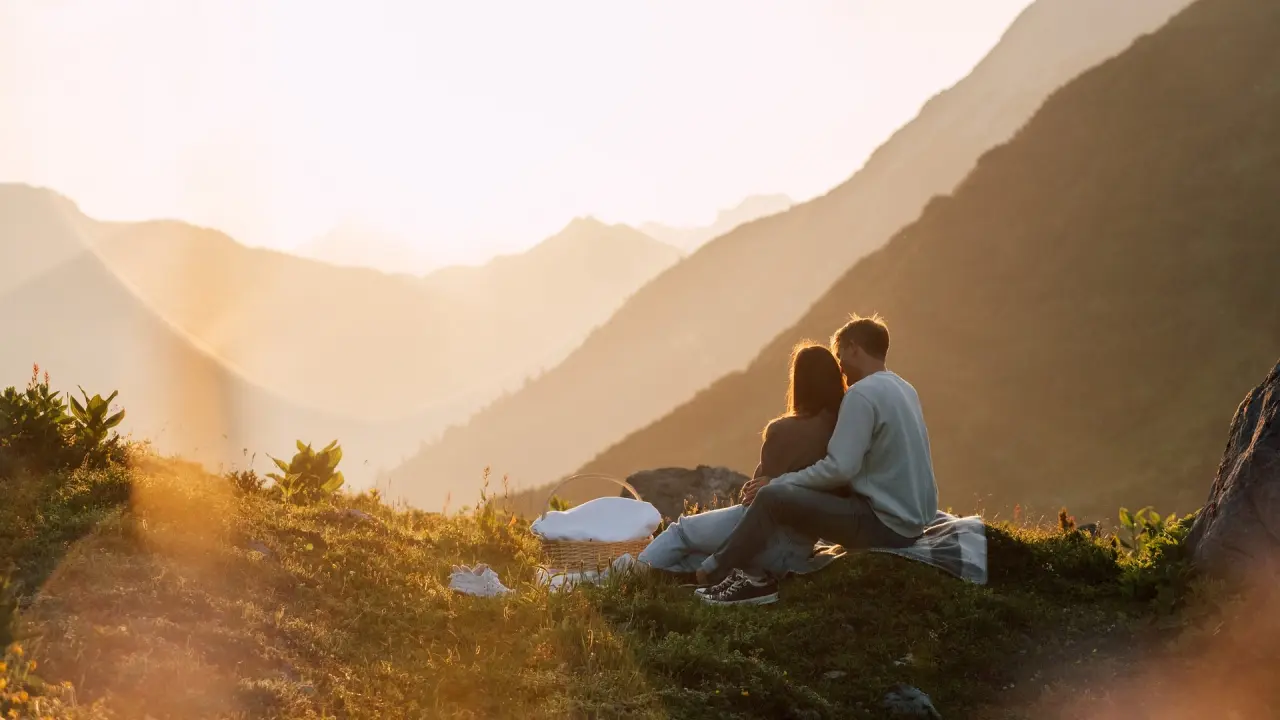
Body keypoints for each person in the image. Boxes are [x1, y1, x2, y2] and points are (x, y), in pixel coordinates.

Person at [696, 313, 940, 606]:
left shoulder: (861, 395)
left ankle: (715, 570)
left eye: (840, 357)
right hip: (912, 523)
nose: (840, 368)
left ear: (853, 348)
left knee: (772, 496)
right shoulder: (904, 389)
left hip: (883, 526)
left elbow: (840, 468)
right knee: (781, 494)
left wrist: (779, 481)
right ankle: (740, 570)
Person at [635, 343, 848, 581]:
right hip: (797, 549)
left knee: (681, 532)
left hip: (761, 536)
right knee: (694, 556)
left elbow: (754, 498)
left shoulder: (784, 430)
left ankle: (628, 576)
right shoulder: (842, 428)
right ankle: (664, 580)